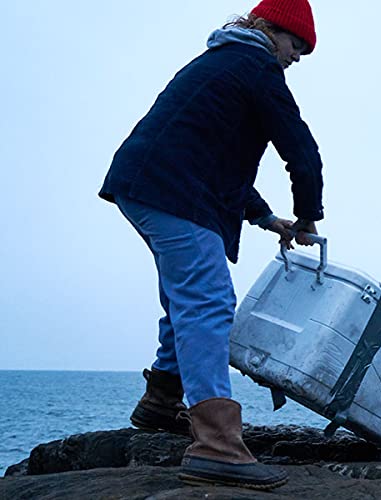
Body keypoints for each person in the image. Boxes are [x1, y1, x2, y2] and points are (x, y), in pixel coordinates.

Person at [98, 0, 323, 489]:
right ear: (268, 30)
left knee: (187, 297)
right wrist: (308, 216)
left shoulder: (222, 62)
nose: (296, 57)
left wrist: (268, 220)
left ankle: (160, 402)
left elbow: (214, 155)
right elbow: (301, 151)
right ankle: (217, 445)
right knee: (208, 300)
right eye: (294, 45)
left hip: (150, 185)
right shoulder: (257, 67)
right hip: (170, 190)